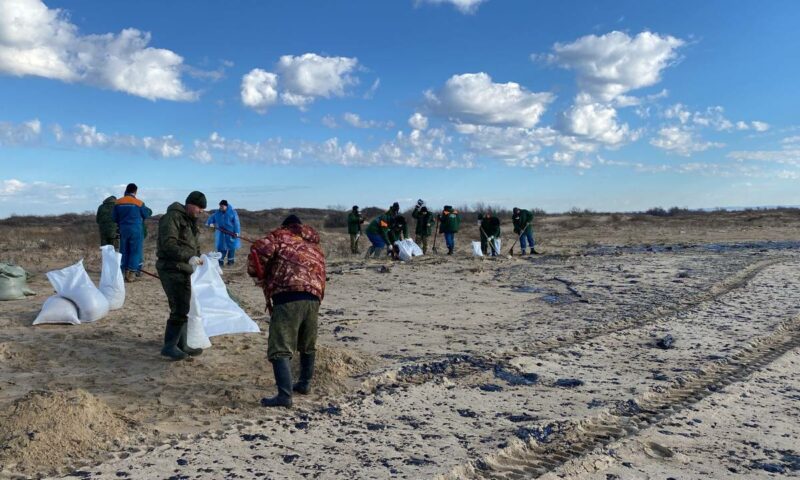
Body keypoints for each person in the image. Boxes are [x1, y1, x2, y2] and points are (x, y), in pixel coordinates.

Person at [248, 215, 326, 408]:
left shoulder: (279, 236)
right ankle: (305, 384)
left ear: (285, 226)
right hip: (314, 297)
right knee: (307, 344)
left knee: (280, 346)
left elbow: (258, 251)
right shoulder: (313, 244)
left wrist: (258, 274)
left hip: (288, 296)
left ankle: (284, 396)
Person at [156, 191, 207, 361]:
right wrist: (188, 257)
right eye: (199, 207)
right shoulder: (172, 218)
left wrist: (201, 258)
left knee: (184, 306)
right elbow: (168, 244)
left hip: (184, 268)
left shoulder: (190, 221)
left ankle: (181, 345)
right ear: (190, 204)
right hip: (171, 267)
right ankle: (169, 346)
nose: (201, 210)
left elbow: (192, 245)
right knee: (179, 307)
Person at [113, 184, 152, 282]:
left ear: (126, 190)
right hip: (136, 230)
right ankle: (131, 274)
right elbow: (146, 214)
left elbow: (114, 217)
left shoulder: (118, 202)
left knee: (123, 250)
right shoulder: (139, 203)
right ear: (135, 191)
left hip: (123, 229)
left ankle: (122, 272)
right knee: (135, 251)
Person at [206, 200, 241, 267]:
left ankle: (230, 262)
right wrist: (210, 223)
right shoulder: (217, 213)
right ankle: (220, 263)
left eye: (222, 206)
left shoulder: (232, 213)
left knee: (231, 248)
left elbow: (236, 223)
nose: (221, 207)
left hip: (231, 233)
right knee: (221, 249)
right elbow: (211, 218)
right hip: (221, 234)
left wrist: (237, 232)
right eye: (220, 206)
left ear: (226, 206)